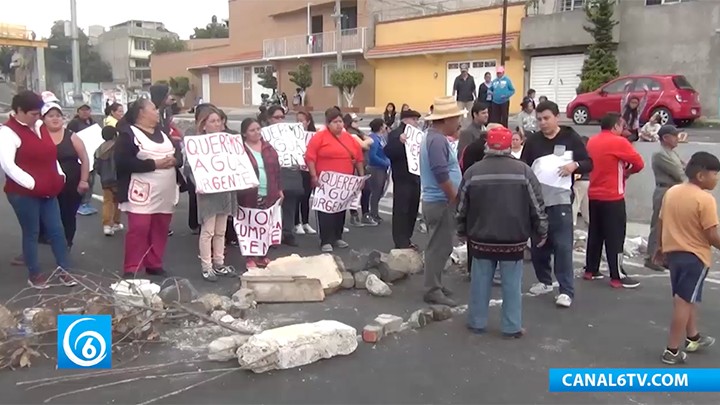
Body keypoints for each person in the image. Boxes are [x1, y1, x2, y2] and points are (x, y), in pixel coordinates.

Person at [457, 126, 548, 338]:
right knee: (511, 285)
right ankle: (511, 326)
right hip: (513, 239)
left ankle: (476, 322)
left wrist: (462, 230)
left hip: (480, 239)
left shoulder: (473, 172)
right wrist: (541, 231)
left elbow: (461, 206)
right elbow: (537, 205)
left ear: (487, 144)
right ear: (509, 145)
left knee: (480, 283)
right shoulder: (524, 171)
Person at [0, 91, 76, 288]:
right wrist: (32, 183)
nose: (37, 118)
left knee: (57, 230)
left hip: (49, 189)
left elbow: (51, 154)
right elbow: (8, 165)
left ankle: (64, 269)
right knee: (31, 232)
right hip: (24, 193)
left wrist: (60, 175)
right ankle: (34, 274)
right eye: (33, 114)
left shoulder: (40, 127)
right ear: (19, 111)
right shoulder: (8, 132)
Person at [521, 100, 592, 308]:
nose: (542, 123)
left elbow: (589, 162)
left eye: (546, 118)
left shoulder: (570, 137)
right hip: (537, 200)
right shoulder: (533, 141)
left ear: (556, 117)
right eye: (539, 119)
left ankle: (566, 290)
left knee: (562, 245)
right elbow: (524, 166)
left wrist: (575, 165)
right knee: (538, 245)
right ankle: (544, 280)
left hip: (560, 200)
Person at [654, 151, 720, 365]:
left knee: (688, 298)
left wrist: (660, 247)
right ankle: (671, 350)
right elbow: (712, 235)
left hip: (674, 255)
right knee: (683, 302)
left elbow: (661, 221)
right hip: (695, 258)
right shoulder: (705, 200)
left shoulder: (672, 192)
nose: (717, 178)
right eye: (715, 174)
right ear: (701, 176)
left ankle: (694, 337)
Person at [115, 98, 182, 278]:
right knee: (139, 227)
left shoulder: (163, 132)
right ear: (141, 112)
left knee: (161, 227)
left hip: (165, 189)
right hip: (141, 190)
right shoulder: (128, 134)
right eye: (153, 108)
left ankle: (154, 262)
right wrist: (154, 164)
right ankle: (132, 266)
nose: (157, 111)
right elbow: (122, 162)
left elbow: (179, 153)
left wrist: (175, 160)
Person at [584, 113, 644, 288]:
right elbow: (639, 163)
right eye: (622, 126)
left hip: (594, 194)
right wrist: (628, 172)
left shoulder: (592, 141)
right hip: (613, 196)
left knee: (595, 233)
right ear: (616, 126)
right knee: (615, 237)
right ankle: (617, 275)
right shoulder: (619, 142)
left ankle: (591, 269)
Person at [184, 106, 239, 280]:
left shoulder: (228, 142)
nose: (216, 124)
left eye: (218, 121)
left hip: (224, 190)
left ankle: (219, 262)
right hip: (208, 192)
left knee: (221, 230)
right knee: (208, 231)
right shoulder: (198, 144)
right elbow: (189, 168)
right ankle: (206, 266)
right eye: (212, 121)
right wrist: (198, 183)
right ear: (204, 125)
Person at [420, 96, 464, 307]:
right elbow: (441, 173)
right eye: (456, 118)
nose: (457, 123)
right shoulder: (437, 140)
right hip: (440, 201)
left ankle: (435, 284)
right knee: (439, 247)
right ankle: (432, 289)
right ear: (447, 120)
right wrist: (454, 196)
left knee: (440, 245)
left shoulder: (433, 138)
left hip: (436, 200)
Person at [305, 108, 365, 253]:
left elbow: (358, 159)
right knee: (326, 211)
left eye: (340, 121)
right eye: (335, 122)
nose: (339, 125)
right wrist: (314, 176)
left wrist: (361, 176)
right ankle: (326, 239)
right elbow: (310, 158)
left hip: (344, 182)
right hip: (325, 181)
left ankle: (337, 236)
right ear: (328, 124)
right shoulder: (320, 137)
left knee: (340, 209)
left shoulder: (349, 138)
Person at [41, 101, 91, 250]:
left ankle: (67, 242)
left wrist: (84, 180)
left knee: (68, 215)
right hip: (46, 185)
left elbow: (84, 159)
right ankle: (48, 238)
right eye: (51, 116)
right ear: (44, 119)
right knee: (45, 215)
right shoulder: (38, 137)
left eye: (58, 116)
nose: (55, 119)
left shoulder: (72, 136)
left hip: (71, 184)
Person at [237, 118, 283, 269]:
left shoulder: (268, 148)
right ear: (244, 133)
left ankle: (262, 255)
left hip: (269, 192)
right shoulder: (240, 150)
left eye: (258, 129)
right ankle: (250, 257)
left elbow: (277, 170)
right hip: (249, 193)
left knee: (265, 226)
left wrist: (279, 190)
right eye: (252, 130)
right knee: (250, 226)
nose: (256, 132)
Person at [646, 125, 686, 271]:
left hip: (674, 190)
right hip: (664, 190)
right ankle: (651, 257)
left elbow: (685, 167)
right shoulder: (660, 154)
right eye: (674, 136)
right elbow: (679, 172)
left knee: (672, 225)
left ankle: (664, 256)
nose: (677, 138)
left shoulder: (672, 153)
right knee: (658, 224)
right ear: (665, 138)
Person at [384, 109, 422, 249]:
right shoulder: (396, 134)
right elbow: (388, 151)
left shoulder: (418, 135)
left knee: (413, 209)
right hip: (402, 177)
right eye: (414, 119)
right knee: (402, 210)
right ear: (405, 120)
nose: (416, 122)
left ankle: (407, 237)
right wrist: (400, 142)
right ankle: (400, 240)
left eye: (417, 120)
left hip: (415, 177)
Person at [267, 105, 303, 246]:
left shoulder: (291, 133)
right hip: (273, 173)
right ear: (269, 119)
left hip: (290, 172)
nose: (280, 120)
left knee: (290, 204)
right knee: (272, 205)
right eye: (277, 117)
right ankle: (272, 235)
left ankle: (288, 233)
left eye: (282, 117)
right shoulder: (265, 134)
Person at [344, 113, 375, 227]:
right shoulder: (350, 134)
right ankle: (354, 214)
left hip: (362, 164)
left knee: (366, 190)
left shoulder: (359, 133)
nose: (357, 123)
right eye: (355, 121)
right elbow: (363, 145)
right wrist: (364, 143)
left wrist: (365, 143)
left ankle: (364, 213)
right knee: (355, 191)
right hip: (354, 165)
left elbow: (370, 140)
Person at [69, 103, 99, 216]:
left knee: (91, 180)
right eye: (82, 110)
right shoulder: (74, 123)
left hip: (92, 154)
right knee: (84, 179)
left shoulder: (93, 122)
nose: (85, 112)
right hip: (80, 155)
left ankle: (87, 202)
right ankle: (80, 203)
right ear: (78, 111)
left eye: (87, 110)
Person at [95, 126, 123, 236]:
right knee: (117, 201)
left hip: (105, 179)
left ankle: (107, 225)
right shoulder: (118, 147)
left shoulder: (99, 149)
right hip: (117, 178)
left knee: (107, 201)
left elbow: (96, 166)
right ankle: (116, 223)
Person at [294, 111, 317, 235]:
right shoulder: (292, 135)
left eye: (302, 120)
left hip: (309, 169)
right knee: (297, 196)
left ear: (308, 122)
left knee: (306, 196)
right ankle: (297, 223)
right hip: (298, 169)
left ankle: (306, 222)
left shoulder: (313, 135)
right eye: (297, 120)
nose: (299, 123)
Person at [367, 118, 390, 223]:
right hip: (376, 168)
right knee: (376, 191)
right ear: (381, 127)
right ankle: (373, 213)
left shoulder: (381, 138)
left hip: (382, 168)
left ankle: (375, 212)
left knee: (380, 191)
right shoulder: (374, 139)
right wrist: (385, 162)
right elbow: (372, 156)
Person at [572, 136, 591, 227]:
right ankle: (588, 221)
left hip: (579, 180)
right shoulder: (588, 154)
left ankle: (572, 222)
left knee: (576, 202)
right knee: (585, 203)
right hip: (588, 181)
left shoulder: (578, 154)